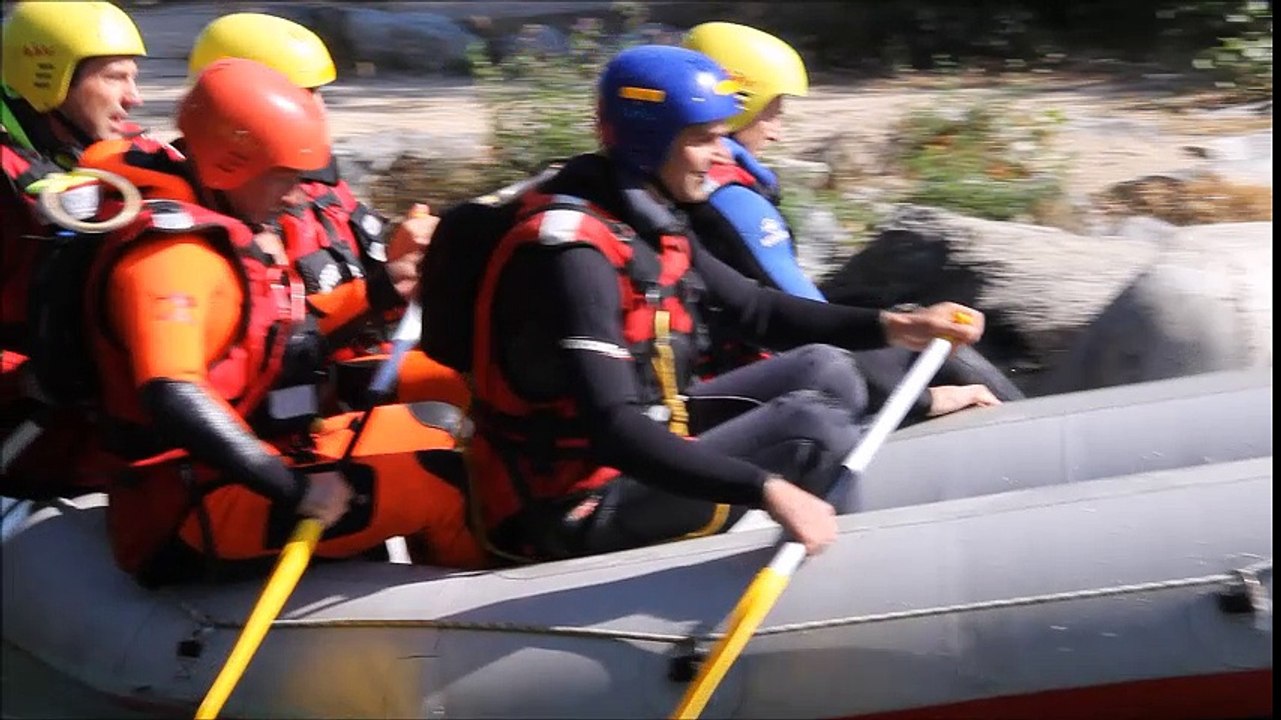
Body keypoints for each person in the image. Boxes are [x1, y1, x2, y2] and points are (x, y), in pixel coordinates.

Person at [451, 45, 986, 564]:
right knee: (811, 428)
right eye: (704, 139)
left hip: (652, 441)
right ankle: (859, 569)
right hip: (569, 507)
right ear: (650, 143)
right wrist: (765, 487)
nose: (723, 155)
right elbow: (613, 429)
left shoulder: (645, 217)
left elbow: (756, 309)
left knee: (826, 367)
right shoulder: (572, 257)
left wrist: (899, 326)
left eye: (723, 136)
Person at [82, 58, 481, 586]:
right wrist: (295, 490)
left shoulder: (221, 225)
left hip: (253, 455)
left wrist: (382, 289)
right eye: (284, 179)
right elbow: (171, 392)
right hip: (187, 508)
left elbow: (272, 334)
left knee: (440, 428)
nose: (296, 196)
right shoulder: (173, 259)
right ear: (230, 166)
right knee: (443, 485)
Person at [681, 22, 1021, 421]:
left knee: (913, 327)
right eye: (773, 111)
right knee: (938, 349)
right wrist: (924, 400)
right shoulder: (732, 200)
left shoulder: (678, 194)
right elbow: (806, 322)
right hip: (753, 389)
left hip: (731, 375)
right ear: (740, 104)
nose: (777, 132)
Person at [185, 12, 468, 412]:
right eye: (304, 95)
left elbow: (358, 274)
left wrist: (404, 254)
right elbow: (269, 339)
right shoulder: (233, 207)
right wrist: (381, 287)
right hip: (296, 406)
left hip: (357, 367)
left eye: (319, 94)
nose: (319, 111)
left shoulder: (319, 183)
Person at [1, 0, 149, 495]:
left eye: (134, 77)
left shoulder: (121, 157)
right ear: (48, 80)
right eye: (115, 77)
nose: (135, 98)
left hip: (109, 451)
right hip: (28, 457)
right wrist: (26, 378)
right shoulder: (6, 187)